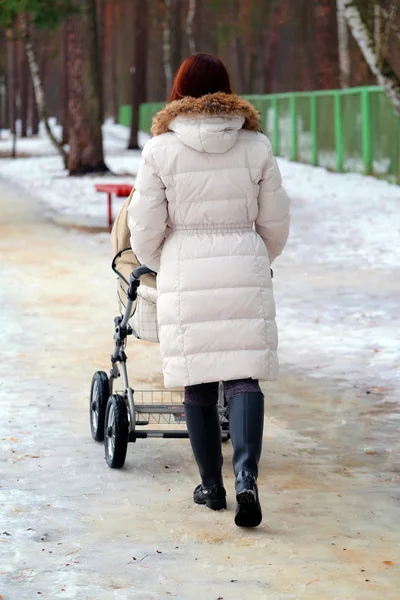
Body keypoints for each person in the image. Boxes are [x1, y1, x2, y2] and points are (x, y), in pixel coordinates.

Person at [128, 53, 290, 528]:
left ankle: (211, 487)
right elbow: (275, 221)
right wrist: (258, 256)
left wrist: (164, 263)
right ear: (226, 88)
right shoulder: (256, 145)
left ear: (178, 90)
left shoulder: (160, 149)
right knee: (244, 375)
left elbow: (143, 225)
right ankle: (246, 479)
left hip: (185, 264)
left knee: (197, 379)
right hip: (244, 257)